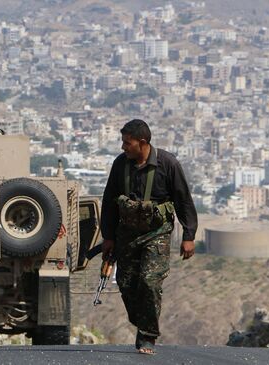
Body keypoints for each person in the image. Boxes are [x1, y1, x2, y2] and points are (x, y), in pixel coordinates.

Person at [92, 119, 197, 355]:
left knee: (149, 282)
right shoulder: (121, 164)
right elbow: (109, 200)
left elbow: (183, 200)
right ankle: (143, 322)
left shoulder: (167, 164)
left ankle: (147, 337)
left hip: (156, 234)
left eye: (127, 143)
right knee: (128, 285)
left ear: (142, 143)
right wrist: (108, 237)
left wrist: (188, 236)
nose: (123, 147)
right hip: (126, 235)